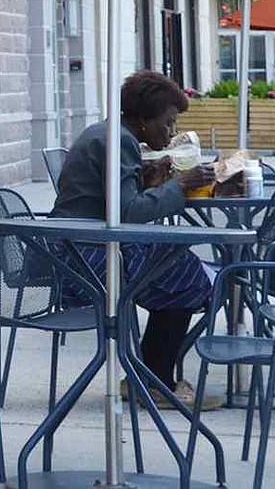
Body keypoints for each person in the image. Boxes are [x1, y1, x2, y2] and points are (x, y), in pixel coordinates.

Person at [50, 70, 220, 410]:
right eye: (167, 123)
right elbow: (127, 213)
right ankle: (154, 380)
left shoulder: (109, 133)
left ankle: (149, 376)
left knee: (174, 261)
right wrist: (180, 185)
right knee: (181, 268)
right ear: (143, 118)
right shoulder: (119, 140)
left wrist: (149, 182)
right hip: (84, 258)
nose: (171, 132)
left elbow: (114, 201)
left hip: (76, 247)